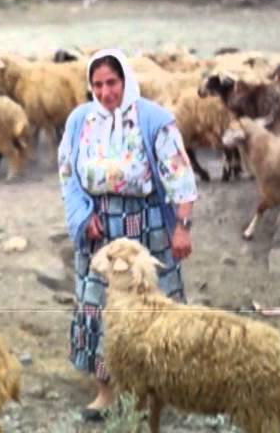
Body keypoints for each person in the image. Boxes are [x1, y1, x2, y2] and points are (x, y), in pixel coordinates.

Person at [57, 47, 198, 421]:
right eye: (97, 84)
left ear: (126, 81)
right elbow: (68, 174)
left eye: (112, 83)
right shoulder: (79, 121)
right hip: (99, 228)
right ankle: (105, 390)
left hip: (147, 224)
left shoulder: (153, 120)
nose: (105, 93)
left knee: (155, 305)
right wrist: (82, 216)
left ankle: (163, 388)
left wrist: (181, 228)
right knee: (98, 305)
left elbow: (180, 177)